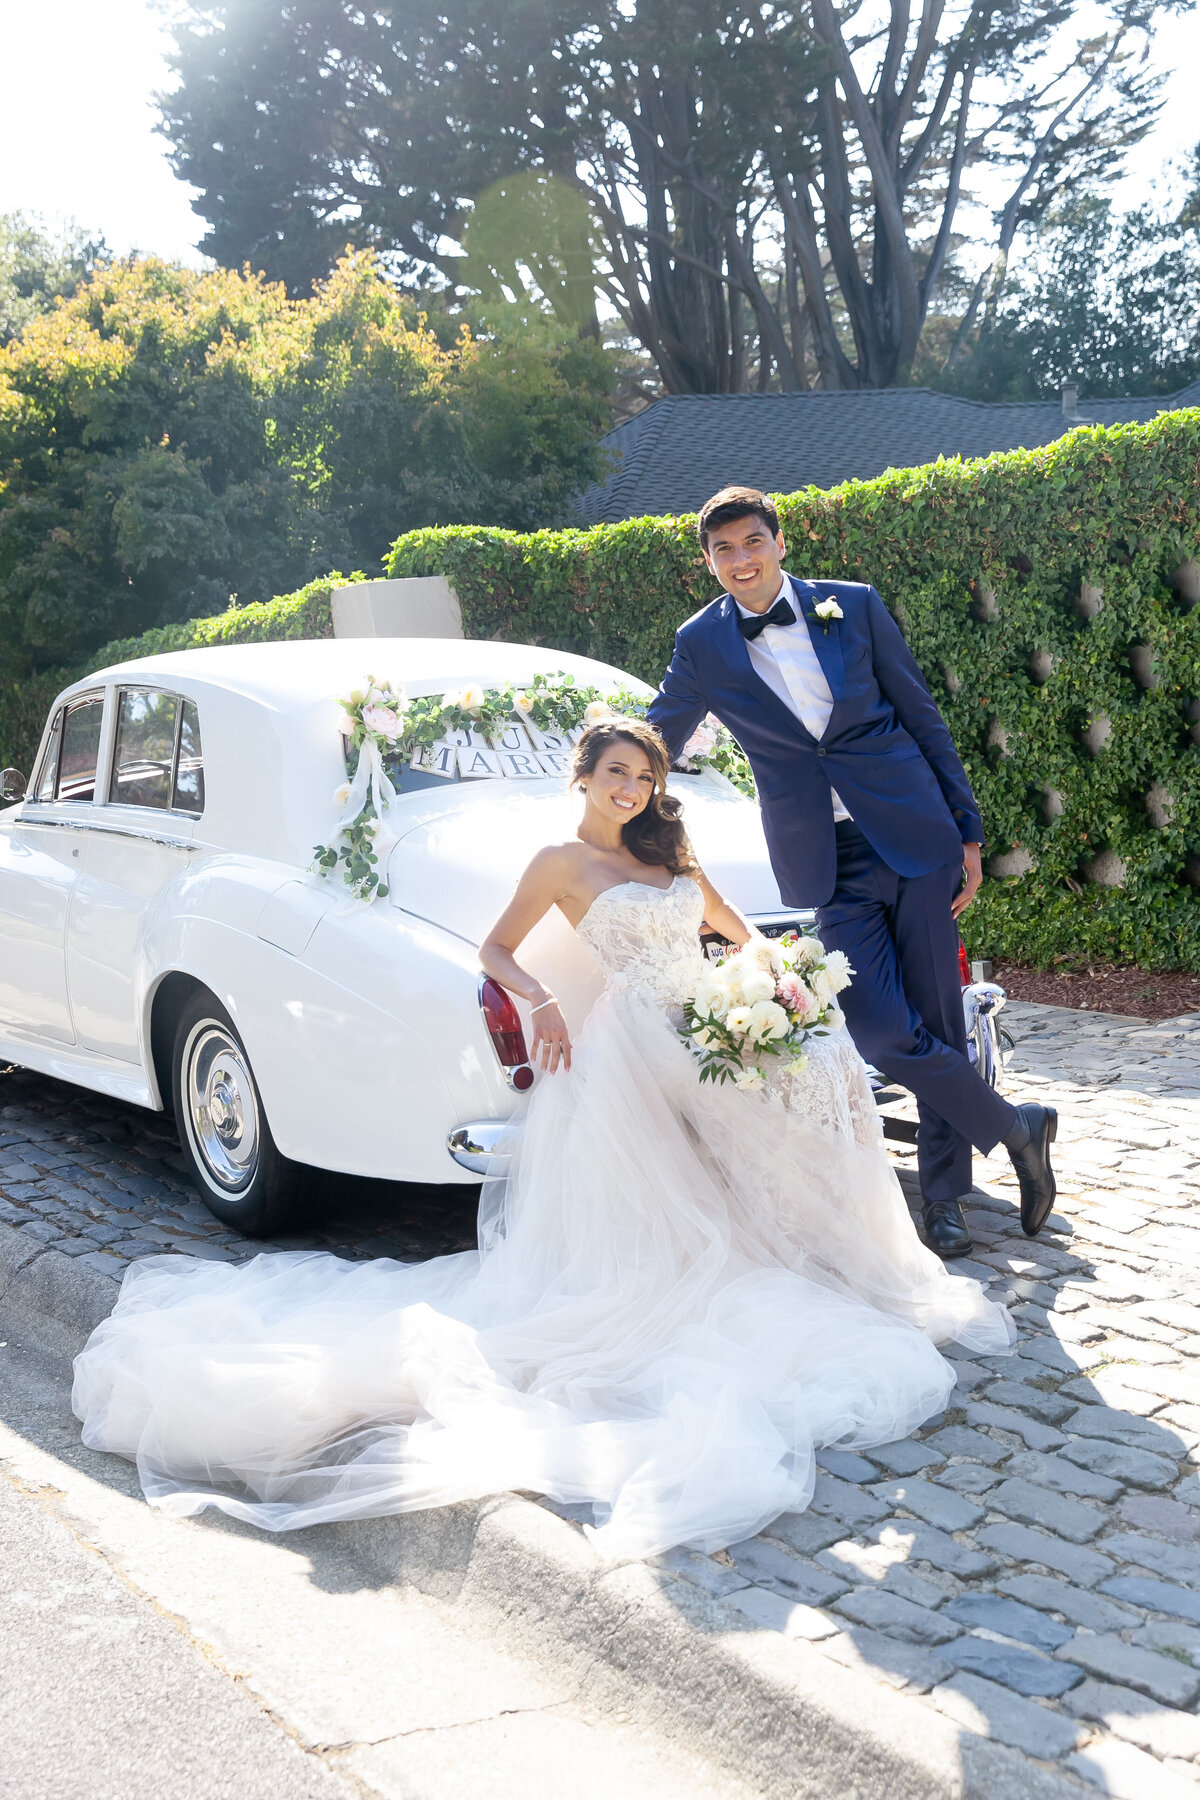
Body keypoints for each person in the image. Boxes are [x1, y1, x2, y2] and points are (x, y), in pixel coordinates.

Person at [72, 718, 1012, 1564]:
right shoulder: (559, 863)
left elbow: (726, 928)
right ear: (586, 776)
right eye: (614, 772)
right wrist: (545, 998)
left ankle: (833, 1249)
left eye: (642, 774)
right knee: (669, 1205)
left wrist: (781, 979)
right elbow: (496, 949)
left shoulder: (671, 848)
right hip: (637, 1038)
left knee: (824, 1078)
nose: (629, 788)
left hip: (711, 1019)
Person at [648, 486, 1058, 1260]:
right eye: (722, 550)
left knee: (937, 1018)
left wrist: (967, 832)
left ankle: (944, 1202)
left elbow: (920, 715)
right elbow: (657, 733)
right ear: (707, 561)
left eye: (751, 543)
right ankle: (1016, 1127)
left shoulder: (854, 606)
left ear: (779, 541)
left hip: (911, 832)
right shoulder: (701, 643)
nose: (740, 561)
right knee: (878, 1029)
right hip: (822, 858)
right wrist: (601, 784)